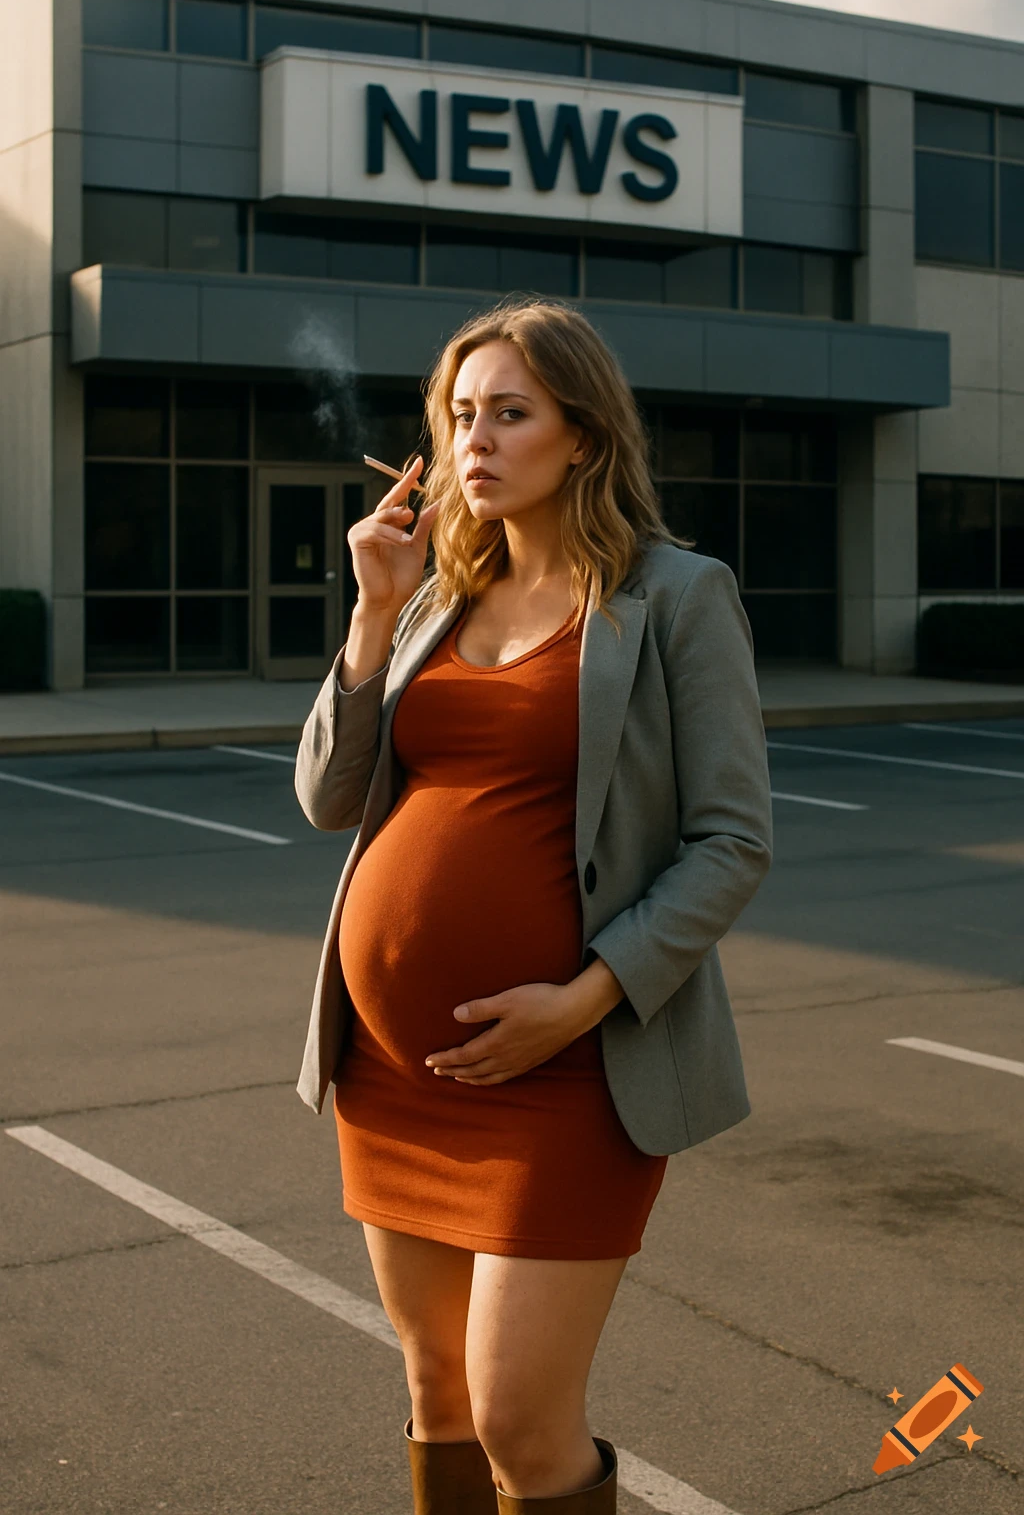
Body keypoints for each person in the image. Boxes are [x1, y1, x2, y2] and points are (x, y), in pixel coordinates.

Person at [294, 296, 773, 1513]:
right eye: (460, 415)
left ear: (584, 436)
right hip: (395, 1076)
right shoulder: (430, 597)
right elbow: (327, 797)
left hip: (570, 1071)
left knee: (520, 1419)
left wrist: (585, 999)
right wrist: (372, 611)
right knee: (439, 1394)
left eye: (510, 413)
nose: (474, 441)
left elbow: (731, 842)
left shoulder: (676, 596)